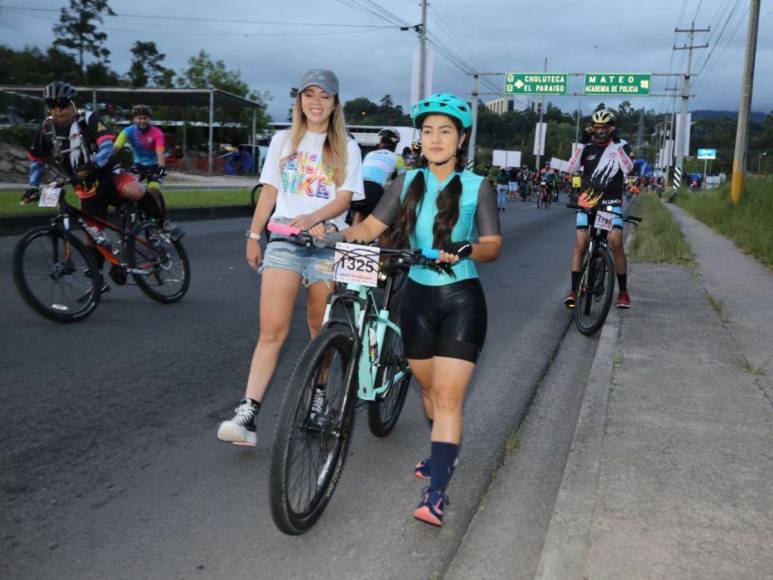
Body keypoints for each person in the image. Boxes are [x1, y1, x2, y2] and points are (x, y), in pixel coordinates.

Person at [331, 92, 502, 526]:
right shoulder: (406, 183)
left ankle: (437, 492)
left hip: (462, 300)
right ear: (420, 138)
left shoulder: (478, 186)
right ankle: (441, 452)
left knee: (447, 397)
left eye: (445, 131)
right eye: (428, 131)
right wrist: (334, 234)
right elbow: (372, 226)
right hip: (417, 300)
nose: (435, 138)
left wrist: (464, 247)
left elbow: (493, 246)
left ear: (460, 139)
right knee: (427, 392)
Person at [216, 69, 364, 447]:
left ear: (335, 104)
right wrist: (253, 235)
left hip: (326, 242)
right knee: (272, 330)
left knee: (320, 330)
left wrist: (316, 218)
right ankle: (247, 413)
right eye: (308, 94)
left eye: (324, 96)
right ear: (299, 101)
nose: (316, 102)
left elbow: (345, 199)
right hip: (284, 240)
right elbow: (269, 192)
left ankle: (317, 400)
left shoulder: (348, 146)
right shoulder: (283, 140)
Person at [22, 81, 148, 294]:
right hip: (85, 186)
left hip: (108, 175)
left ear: (72, 104)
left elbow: (107, 146)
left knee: (134, 191)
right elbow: (37, 159)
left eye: (61, 104)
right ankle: (98, 279)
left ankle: (161, 225)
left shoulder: (88, 119)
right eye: (51, 105)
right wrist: (33, 186)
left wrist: (93, 164)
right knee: (92, 236)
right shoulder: (46, 128)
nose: (57, 110)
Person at [564, 109, 634, 309]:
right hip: (587, 201)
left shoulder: (622, 145)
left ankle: (623, 292)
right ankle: (574, 290)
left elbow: (628, 169)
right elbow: (570, 168)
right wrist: (582, 142)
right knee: (581, 244)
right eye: (597, 128)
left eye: (604, 128)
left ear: (611, 128)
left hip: (609, 203)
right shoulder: (587, 147)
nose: (600, 131)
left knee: (615, 242)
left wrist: (616, 143)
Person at [113, 104, 180, 237]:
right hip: (138, 165)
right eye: (139, 118)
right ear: (134, 119)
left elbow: (160, 153)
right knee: (128, 189)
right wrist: (106, 161)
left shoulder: (157, 133)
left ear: (149, 119)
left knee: (152, 191)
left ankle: (159, 222)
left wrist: (160, 170)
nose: (142, 121)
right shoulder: (128, 131)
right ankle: (130, 214)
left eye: (145, 118)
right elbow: (115, 148)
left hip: (155, 165)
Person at [352, 128, 405, 221]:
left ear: (380, 143)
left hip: (358, 190)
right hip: (375, 191)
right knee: (382, 225)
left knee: (358, 216)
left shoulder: (370, 154)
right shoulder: (398, 158)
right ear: (395, 145)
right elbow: (404, 179)